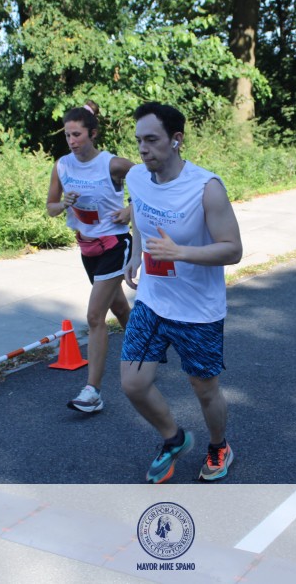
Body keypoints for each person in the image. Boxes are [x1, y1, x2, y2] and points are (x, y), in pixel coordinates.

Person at [120, 102, 243, 484]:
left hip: (198, 310)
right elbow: (140, 215)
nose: (143, 149)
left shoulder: (206, 188)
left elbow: (233, 249)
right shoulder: (137, 178)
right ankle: (173, 438)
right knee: (133, 383)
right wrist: (135, 254)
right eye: (139, 140)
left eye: (151, 140)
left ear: (176, 140)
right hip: (153, 302)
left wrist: (180, 252)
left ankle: (219, 445)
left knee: (204, 391)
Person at [47, 100, 134, 413]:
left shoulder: (113, 165)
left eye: (77, 135)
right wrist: (64, 204)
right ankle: (146, 348)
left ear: (93, 134)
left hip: (115, 244)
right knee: (119, 306)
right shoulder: (62, 166)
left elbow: (153, 184)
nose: (71, 141)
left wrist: (130, 209)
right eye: (67, 135)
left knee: (96, 316)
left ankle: (92, 392)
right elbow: (50, 208)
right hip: (87, 248)